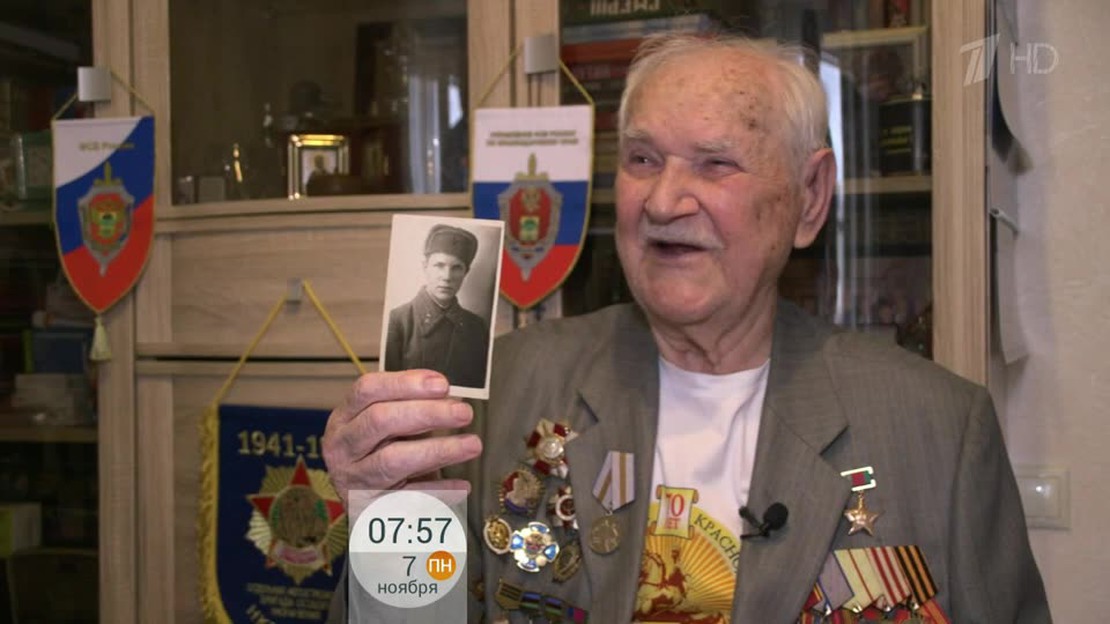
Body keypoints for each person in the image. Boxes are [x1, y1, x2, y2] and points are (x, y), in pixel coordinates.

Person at [324, 34, 1050, 623]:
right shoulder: (496, 394)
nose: (664, 200)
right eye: (643, 159)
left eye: (715, 163)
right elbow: (404, 616)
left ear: (809, 197)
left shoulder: (941, 432)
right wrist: (390, 523)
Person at [382, 223, 490, 389]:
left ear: (466, 272)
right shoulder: (397, 320)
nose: (447, 276)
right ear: (425, 266)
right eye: (439, 265)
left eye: (456, 268)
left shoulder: (477, 327)